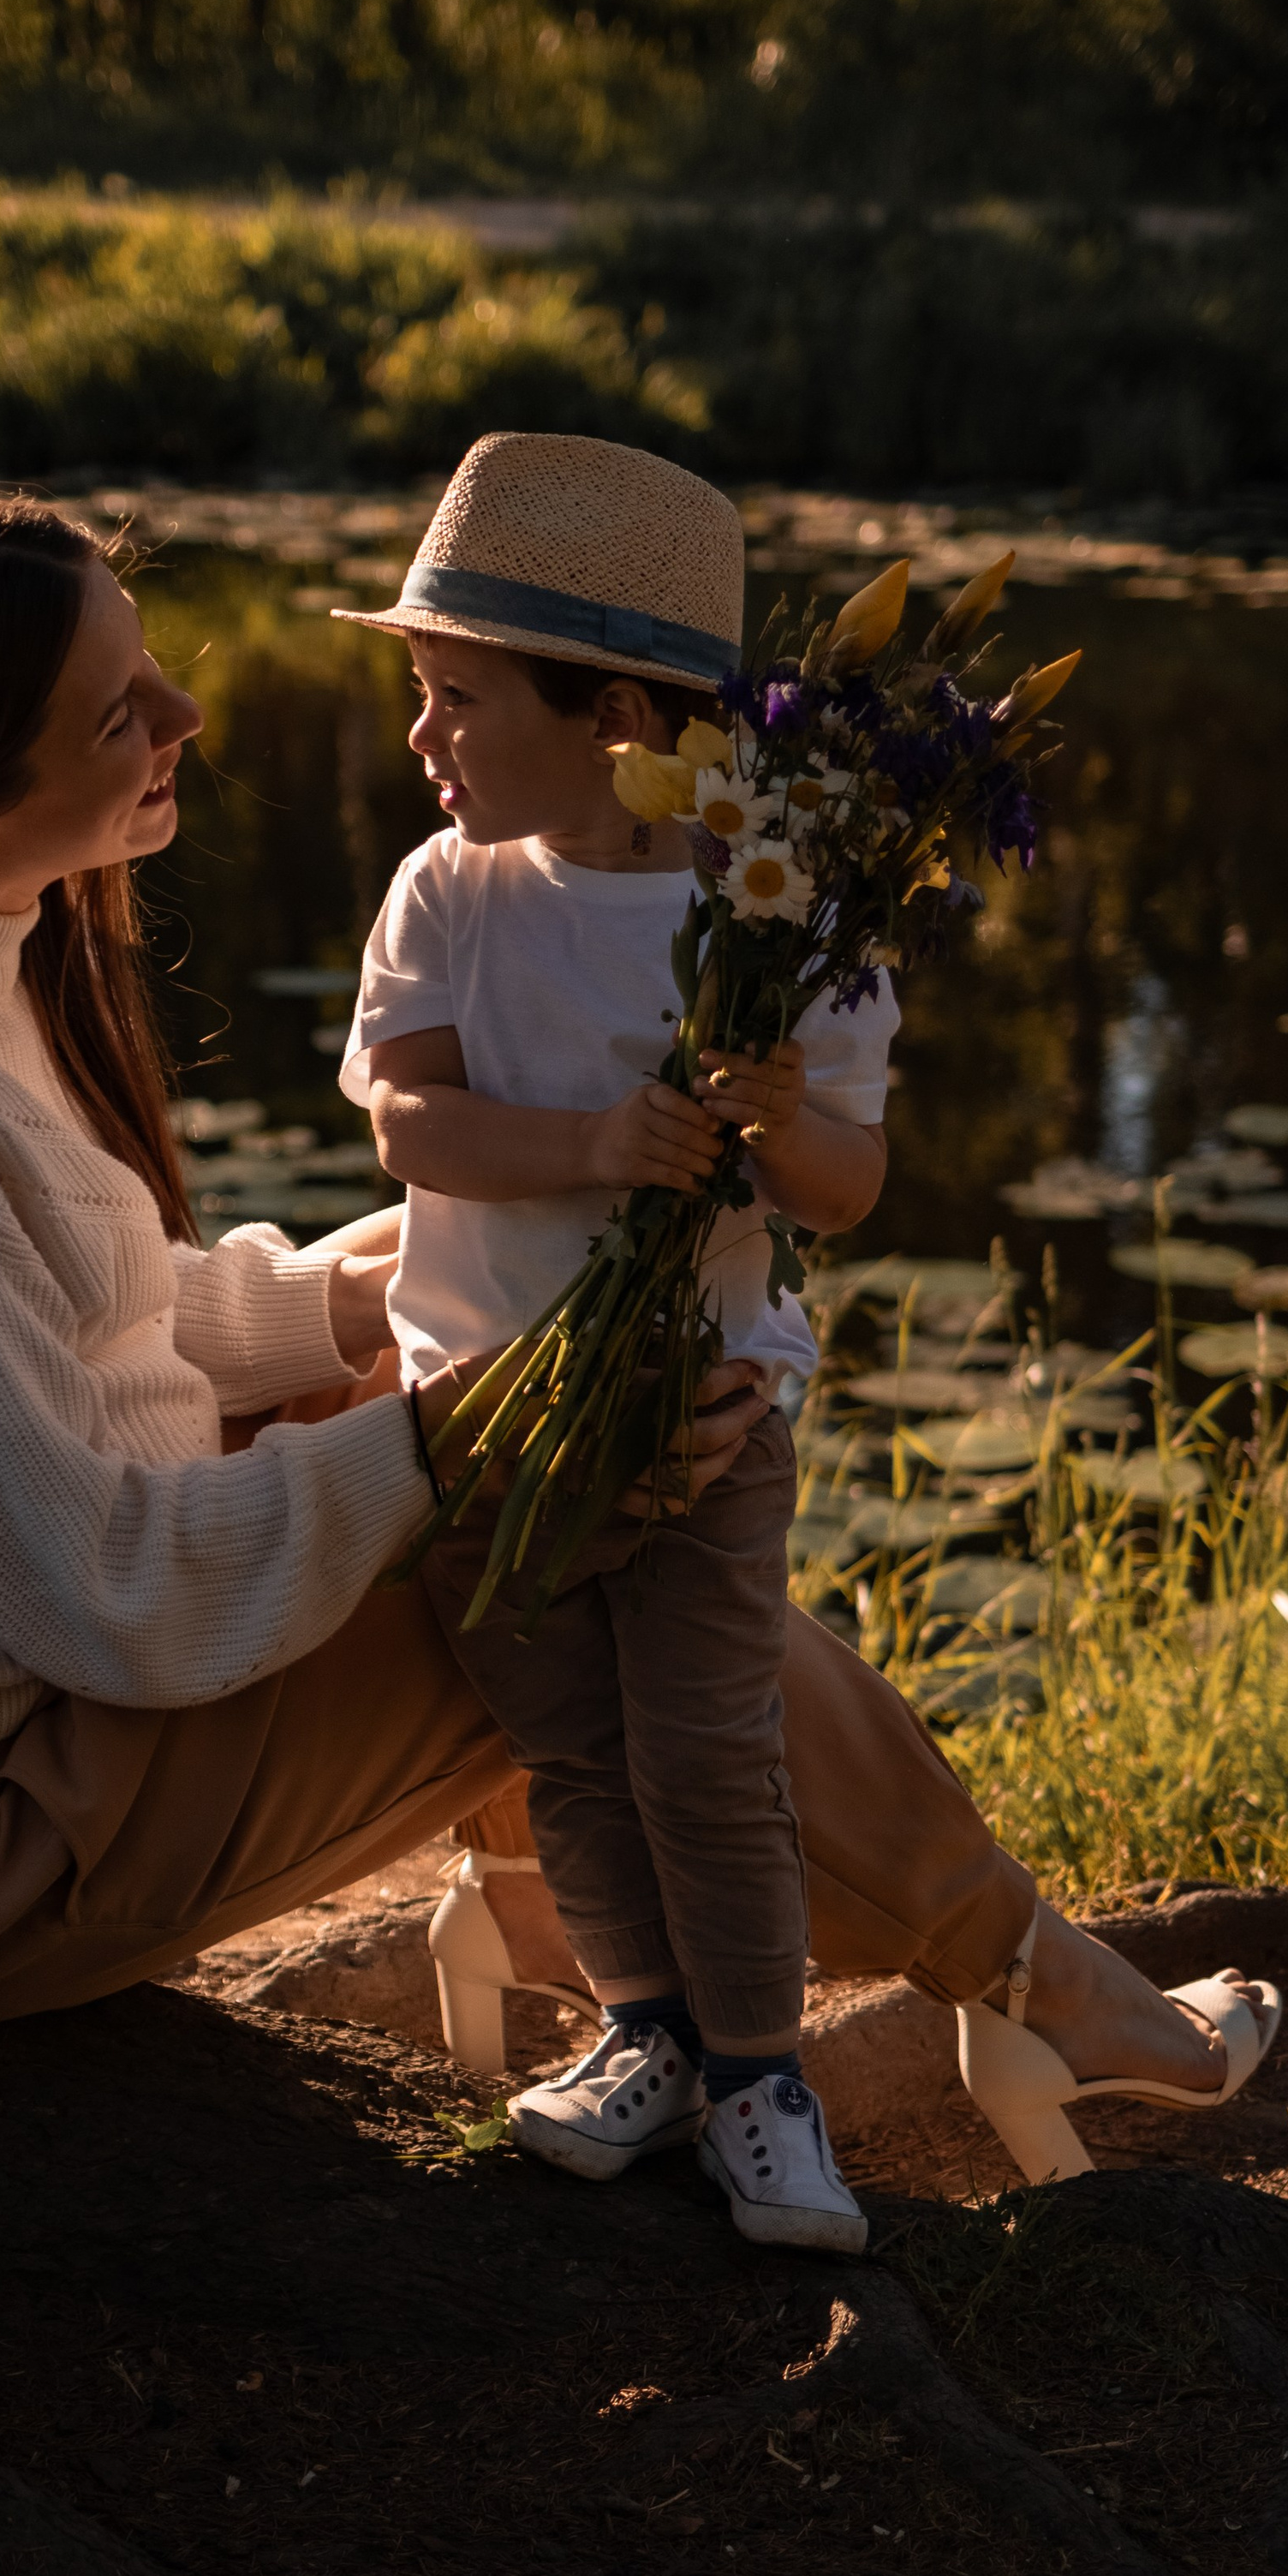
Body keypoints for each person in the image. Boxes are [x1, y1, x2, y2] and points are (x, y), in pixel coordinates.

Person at [0, 479, 1278, 2196]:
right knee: (558, 1543)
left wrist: (356, 1305)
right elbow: (106, 1584)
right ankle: (1033, 1991)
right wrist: (485, 1421)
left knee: (478, 1441)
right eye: (121, 709)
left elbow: (38, 1329)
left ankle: (651, 1953)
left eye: (152, 662)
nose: (186, 712)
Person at [340, 433, 894, 2250]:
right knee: (565, 1740)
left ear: (616, 716)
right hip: (484, 1411)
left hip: (711, 1409)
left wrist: (775, 1110)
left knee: (702, 1748)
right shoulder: (445, 894)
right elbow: (409, 1128)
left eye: (453, 696)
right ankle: (642, 2038)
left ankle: (761, 2077)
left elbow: (843, 1188)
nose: (421, 738)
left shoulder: (785, 911)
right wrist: (589, 1144)